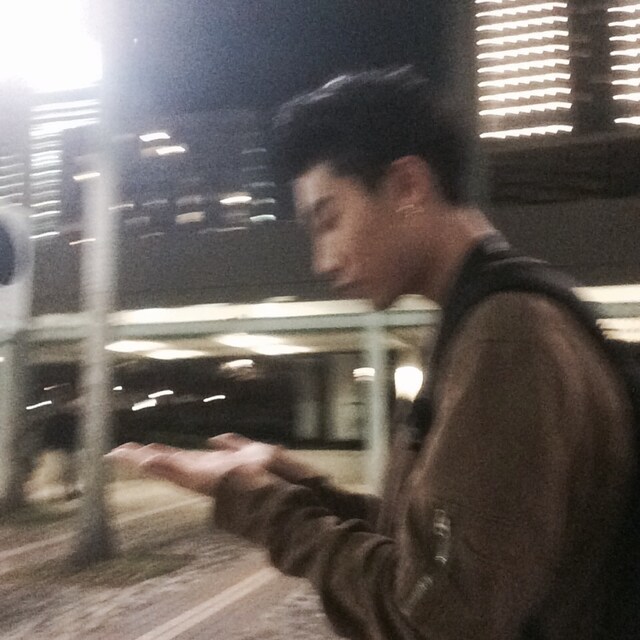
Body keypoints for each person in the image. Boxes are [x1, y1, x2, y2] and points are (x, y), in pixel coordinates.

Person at [108, 68, 635, 639]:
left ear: (407, 186)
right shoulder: (485, 320)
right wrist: (292, 485)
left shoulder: (506, 338)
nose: (322, 260)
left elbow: (432, 619)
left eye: (328, 219)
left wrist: (261, 506)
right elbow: (425, 549)